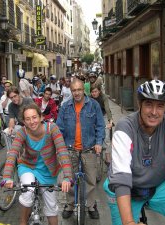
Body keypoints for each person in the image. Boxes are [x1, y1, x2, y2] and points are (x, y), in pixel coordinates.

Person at [104, 79, 165, 225]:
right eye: (149, 104)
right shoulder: (125, 128)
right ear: (140, 104)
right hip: (125, 189)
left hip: (157, 185)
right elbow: (121, 177)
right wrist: (129, 222)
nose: (154, 112)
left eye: (160, 106)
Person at [2, 103, 72, 225]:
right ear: (23, 121)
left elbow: (62, 151)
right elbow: (13, 153)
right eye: (27, 119)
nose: (32, 122)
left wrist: (67, 177)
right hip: (28, 167)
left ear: (41, 117)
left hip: (48, 171)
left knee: (51, 207)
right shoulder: (22, 132)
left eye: (34, 117)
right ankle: (23, 222)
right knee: (28, 192)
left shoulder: (52, 129)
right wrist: (6, 177)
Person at [56, 78, 105, 219]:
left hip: (89, 148)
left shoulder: (94, 105)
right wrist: (60, 146)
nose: (76, 93)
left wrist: (99, 143)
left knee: (90, 179)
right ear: (71, 91)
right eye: (74, 90)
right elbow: (59, 128)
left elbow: (100, 126)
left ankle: (90, 205)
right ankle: (70, 204)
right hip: (70, 149)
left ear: (84, 90)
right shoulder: (65, 106)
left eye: (79, 90)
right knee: (69, 178)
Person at [90, 85, 114, 164]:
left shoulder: (104, 97)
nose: (94, 93)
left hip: (103, 115)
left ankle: (107, 154)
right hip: (92, 116)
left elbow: (107, 109)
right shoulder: (89, 98)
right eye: (92, 92)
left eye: (96, 91)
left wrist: (110, 121)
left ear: (99, 91)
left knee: (106, 136)